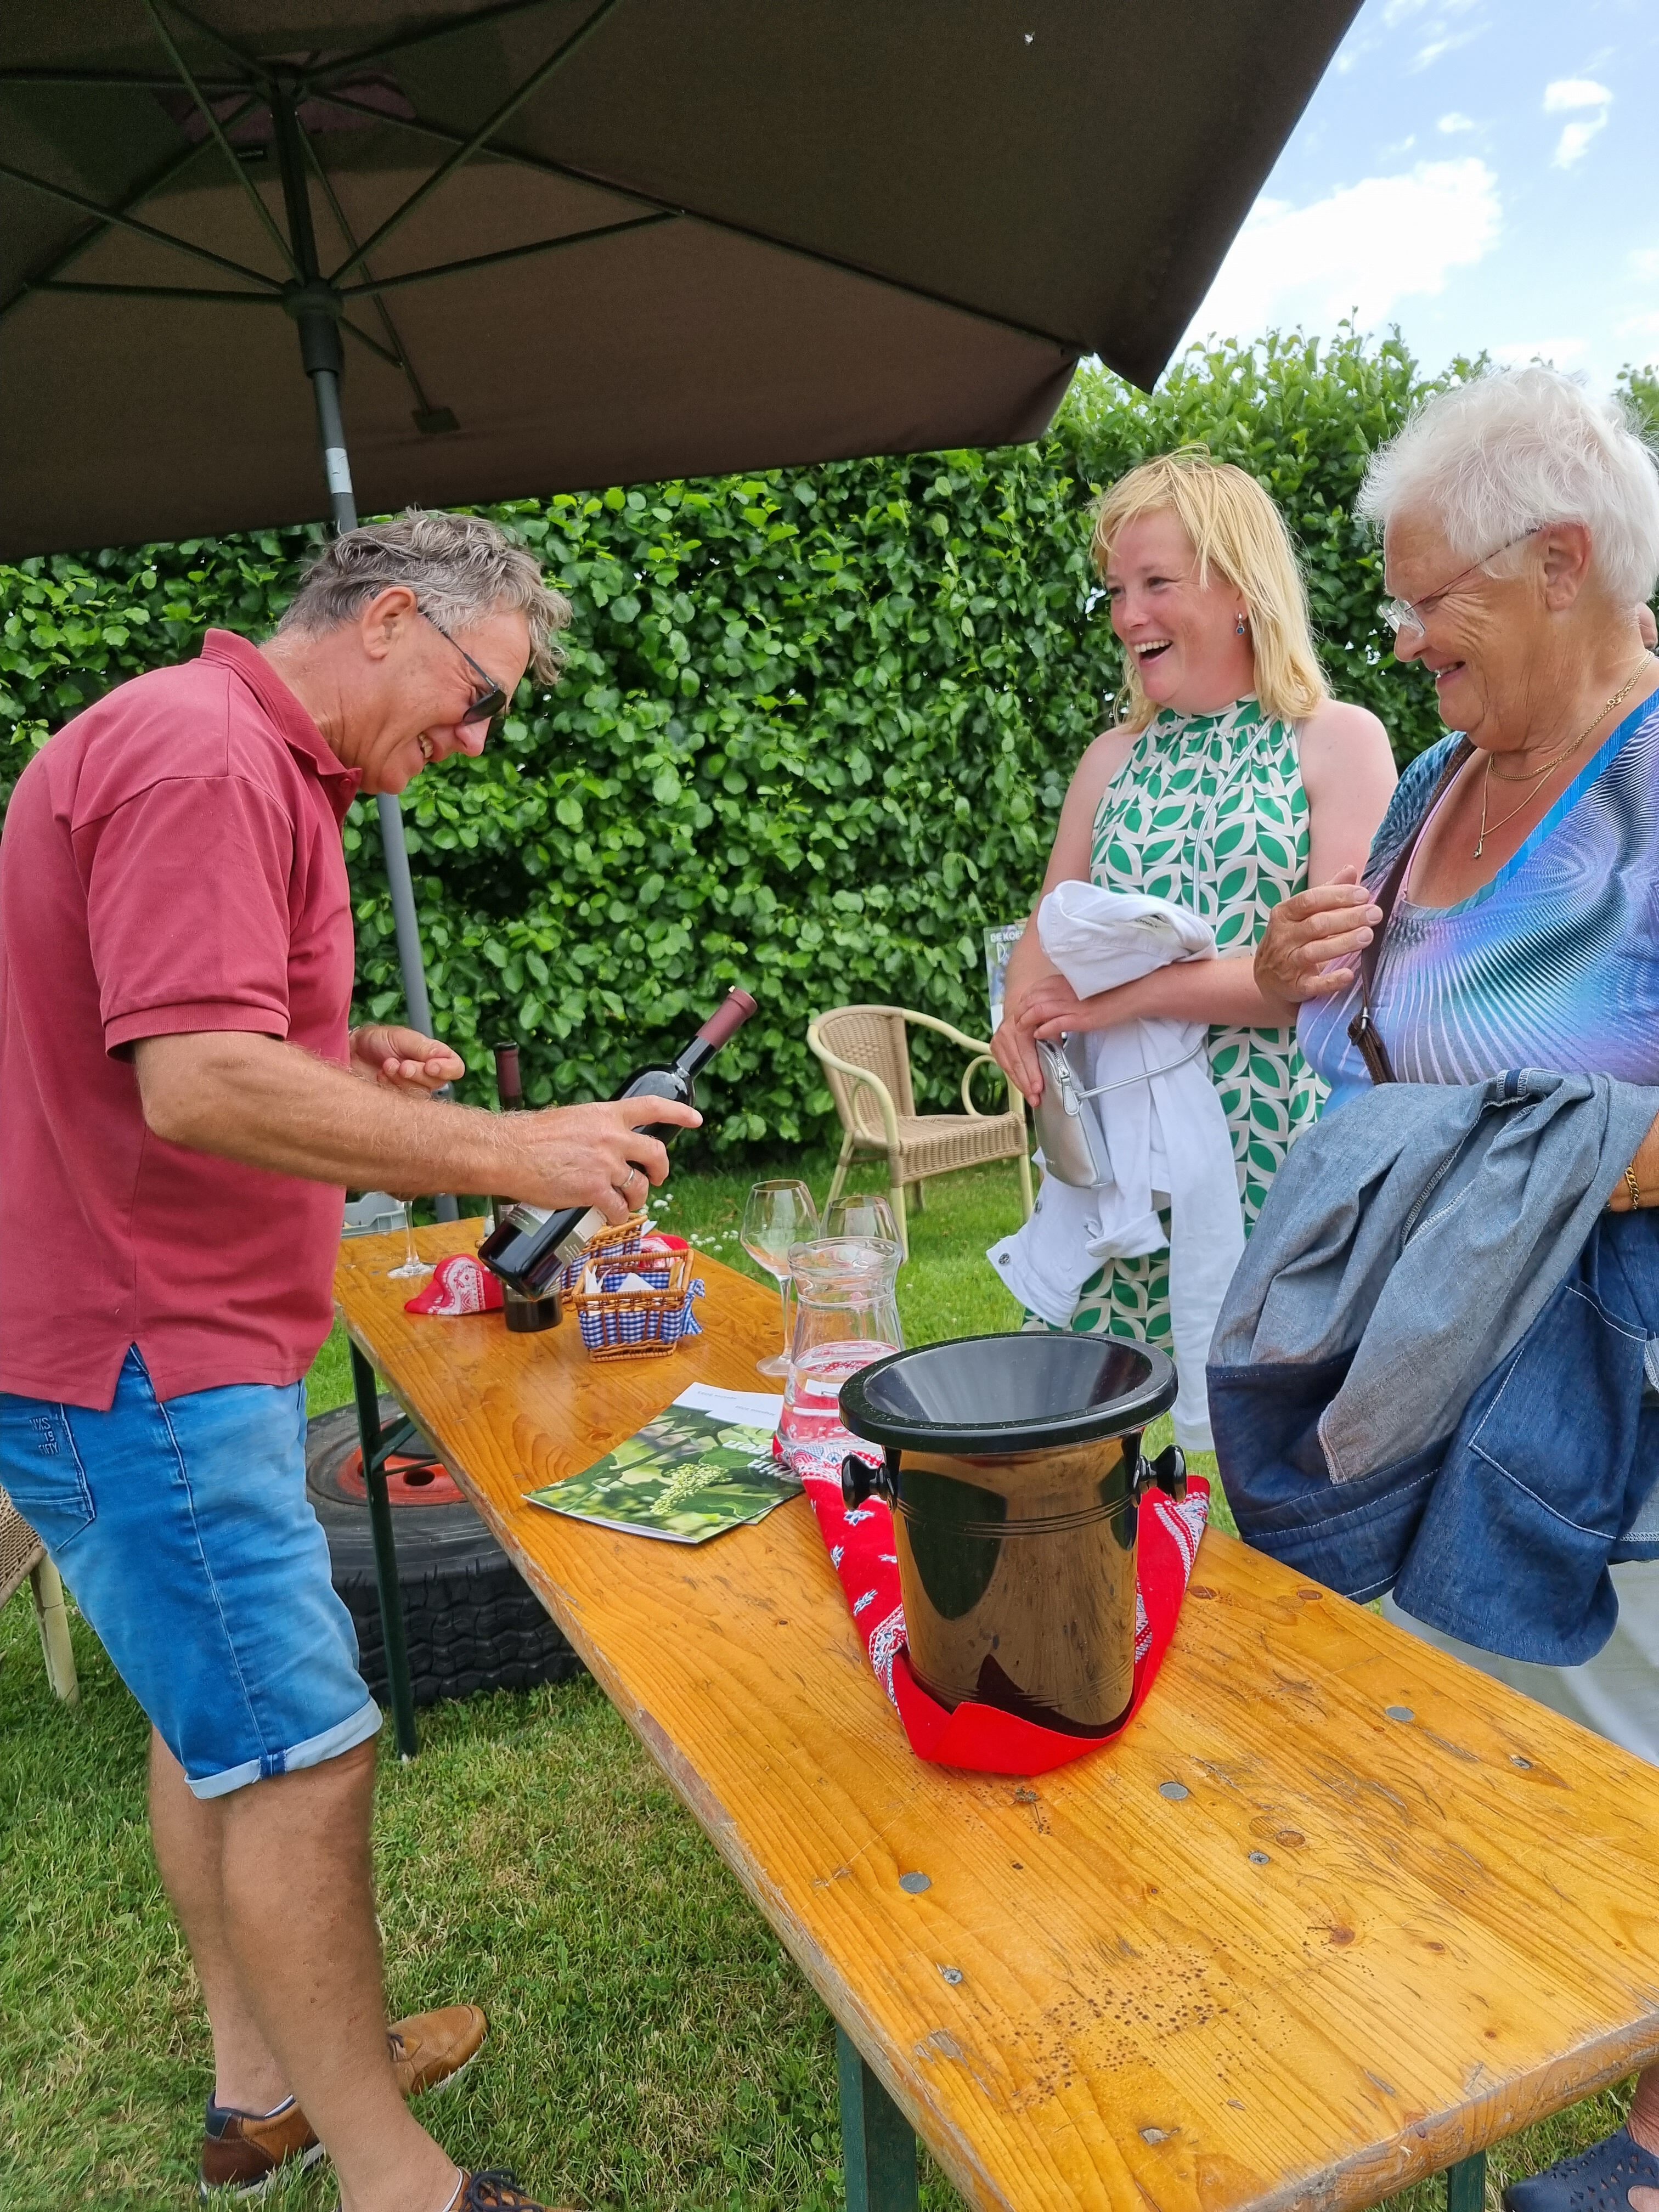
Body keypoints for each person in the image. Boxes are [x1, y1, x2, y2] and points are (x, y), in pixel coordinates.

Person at [0, 512, 695, 2212]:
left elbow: (193, 1035)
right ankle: (398, 2180)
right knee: (310, 1753)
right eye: (478, 699)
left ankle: (264, 2096)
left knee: (208, 1728)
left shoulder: (244, 761)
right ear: (390, 619)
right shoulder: (204, 759)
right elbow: (192, 1084)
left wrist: (346, 1056)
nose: (473, 743)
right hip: (143, 1351)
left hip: (156, 1335)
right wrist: (507, 1144)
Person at [1253, 365, 1659, 2212]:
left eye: (1431, 599)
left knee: (1634, 1758)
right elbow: (1373, 1044)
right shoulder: (1429, 778)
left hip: (1617, 1374)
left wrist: (1513, 1151)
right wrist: (1297, 971)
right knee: (1483, 1747)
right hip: (1435, 1343)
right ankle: (1538, 2051)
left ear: (1561, 563)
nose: (1398, 635)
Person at [990, 448, 1396, 1361]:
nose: (1129, 615)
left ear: (1243, 588)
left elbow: (1314, 980)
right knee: (1084, 1428)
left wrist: (1111, 1003)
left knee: (1267, 1445)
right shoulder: (1111, 759)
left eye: (1157, 582)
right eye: (1116, 590)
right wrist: (1021, 1013)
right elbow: (1046, 927)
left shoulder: (1338, 743)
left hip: (1273, 1144)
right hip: (1115, 1147)